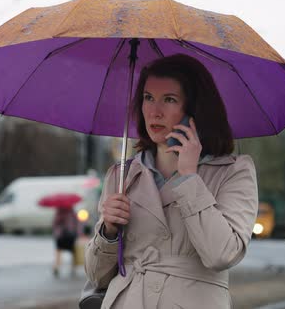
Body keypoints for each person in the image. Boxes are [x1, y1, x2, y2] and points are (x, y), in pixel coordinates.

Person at [83, 54, 258, 308]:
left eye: (169, 100)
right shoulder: (122, 176)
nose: (154, 111)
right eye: (148, 98)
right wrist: (108, 232)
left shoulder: (233, 172)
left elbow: (222, 254)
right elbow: (96, 275)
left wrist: (189, 178)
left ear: (195, 110)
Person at [52, 206, 79, 277]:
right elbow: (76, 223)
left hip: (60, 235)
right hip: (70, 234)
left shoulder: (59, 212)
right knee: (73, 252)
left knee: (58, 251)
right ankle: (73, 267)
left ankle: (56, 267)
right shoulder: (72, 212)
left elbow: (55, 223)